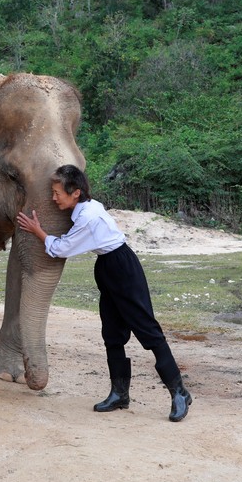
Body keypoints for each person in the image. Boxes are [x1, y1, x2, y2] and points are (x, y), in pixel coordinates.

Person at [15, 164, 192, 422]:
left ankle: (179, 392)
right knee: (112, 334)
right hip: (108, 267)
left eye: (57, 193)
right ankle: (119, 393)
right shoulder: (85, 208)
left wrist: (37, 231)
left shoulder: (88, 217)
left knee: (149, 332)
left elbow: (62, 248)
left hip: (123, 269)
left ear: (75, 193)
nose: (54, 198)